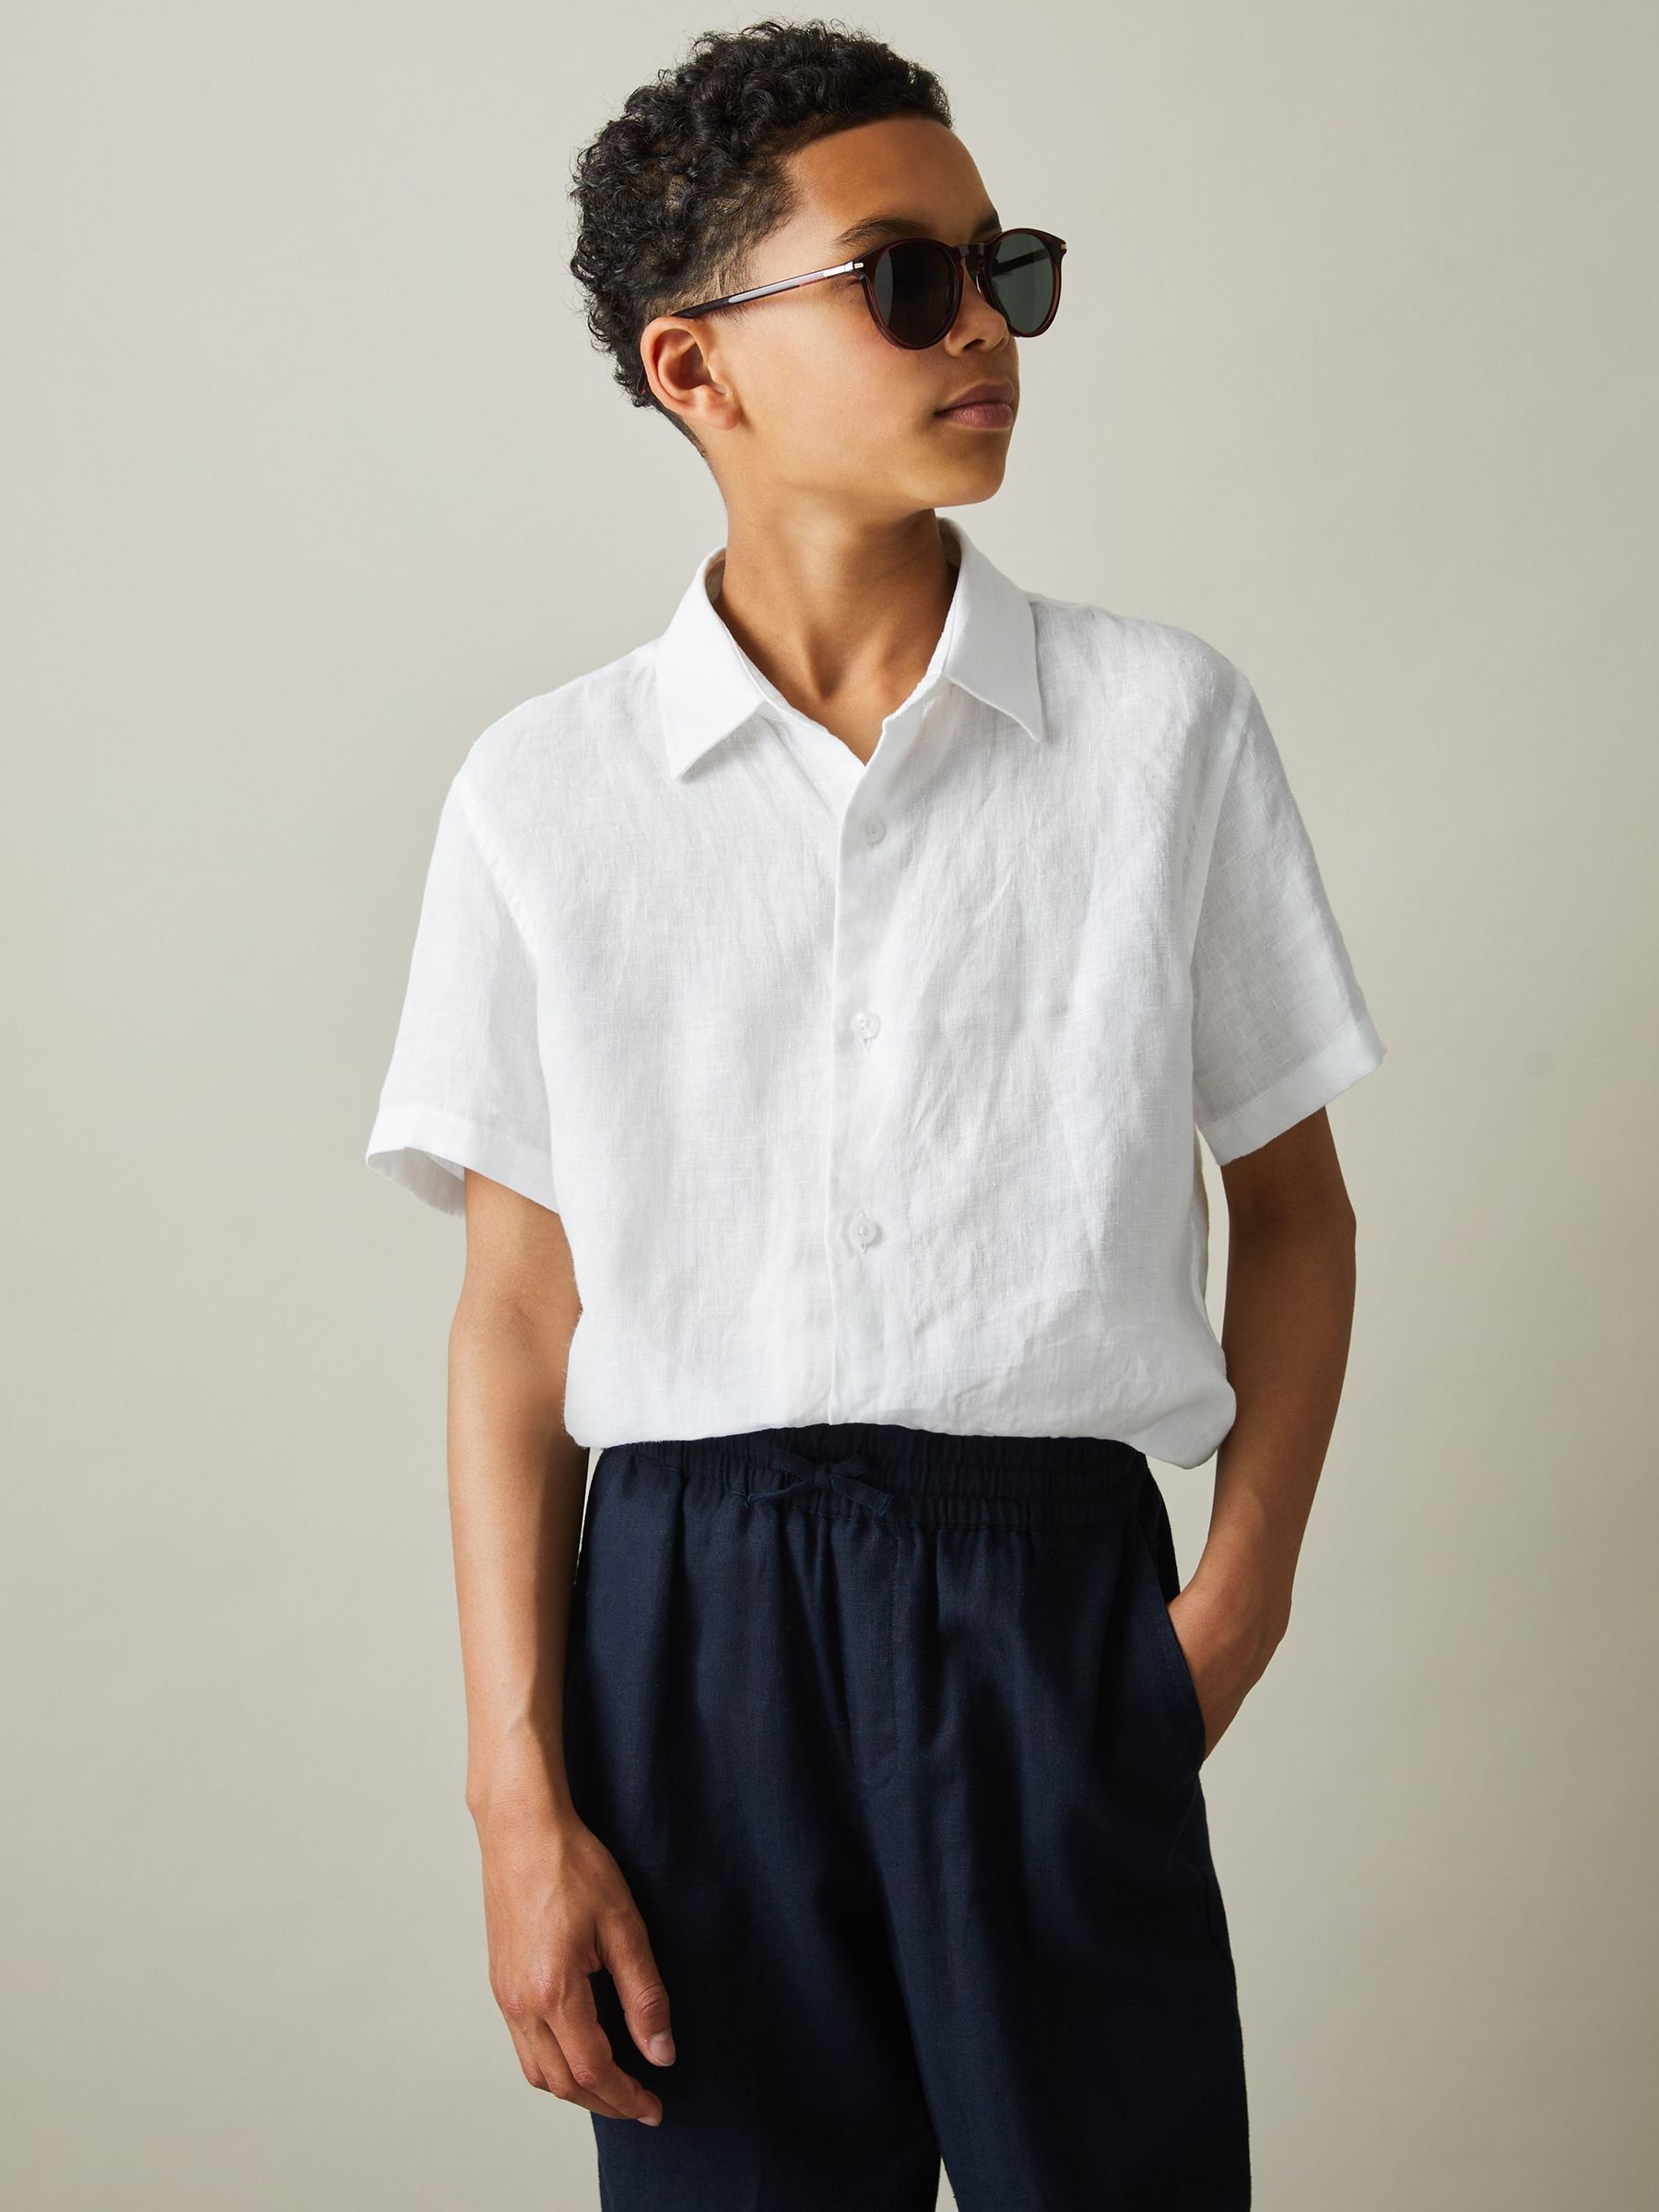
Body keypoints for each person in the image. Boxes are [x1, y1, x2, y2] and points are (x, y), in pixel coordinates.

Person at [365, 20, 1386, 2209]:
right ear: (696, 366)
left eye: (1003, 270)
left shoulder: (1160, 731)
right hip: (683, 1636)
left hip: (1049, 1608)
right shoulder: (548, 795)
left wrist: (1233, 1611)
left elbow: (1295, 1206)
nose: (985, 328)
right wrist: (519, 1799)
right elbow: (520, 1318)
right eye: (907, 280)